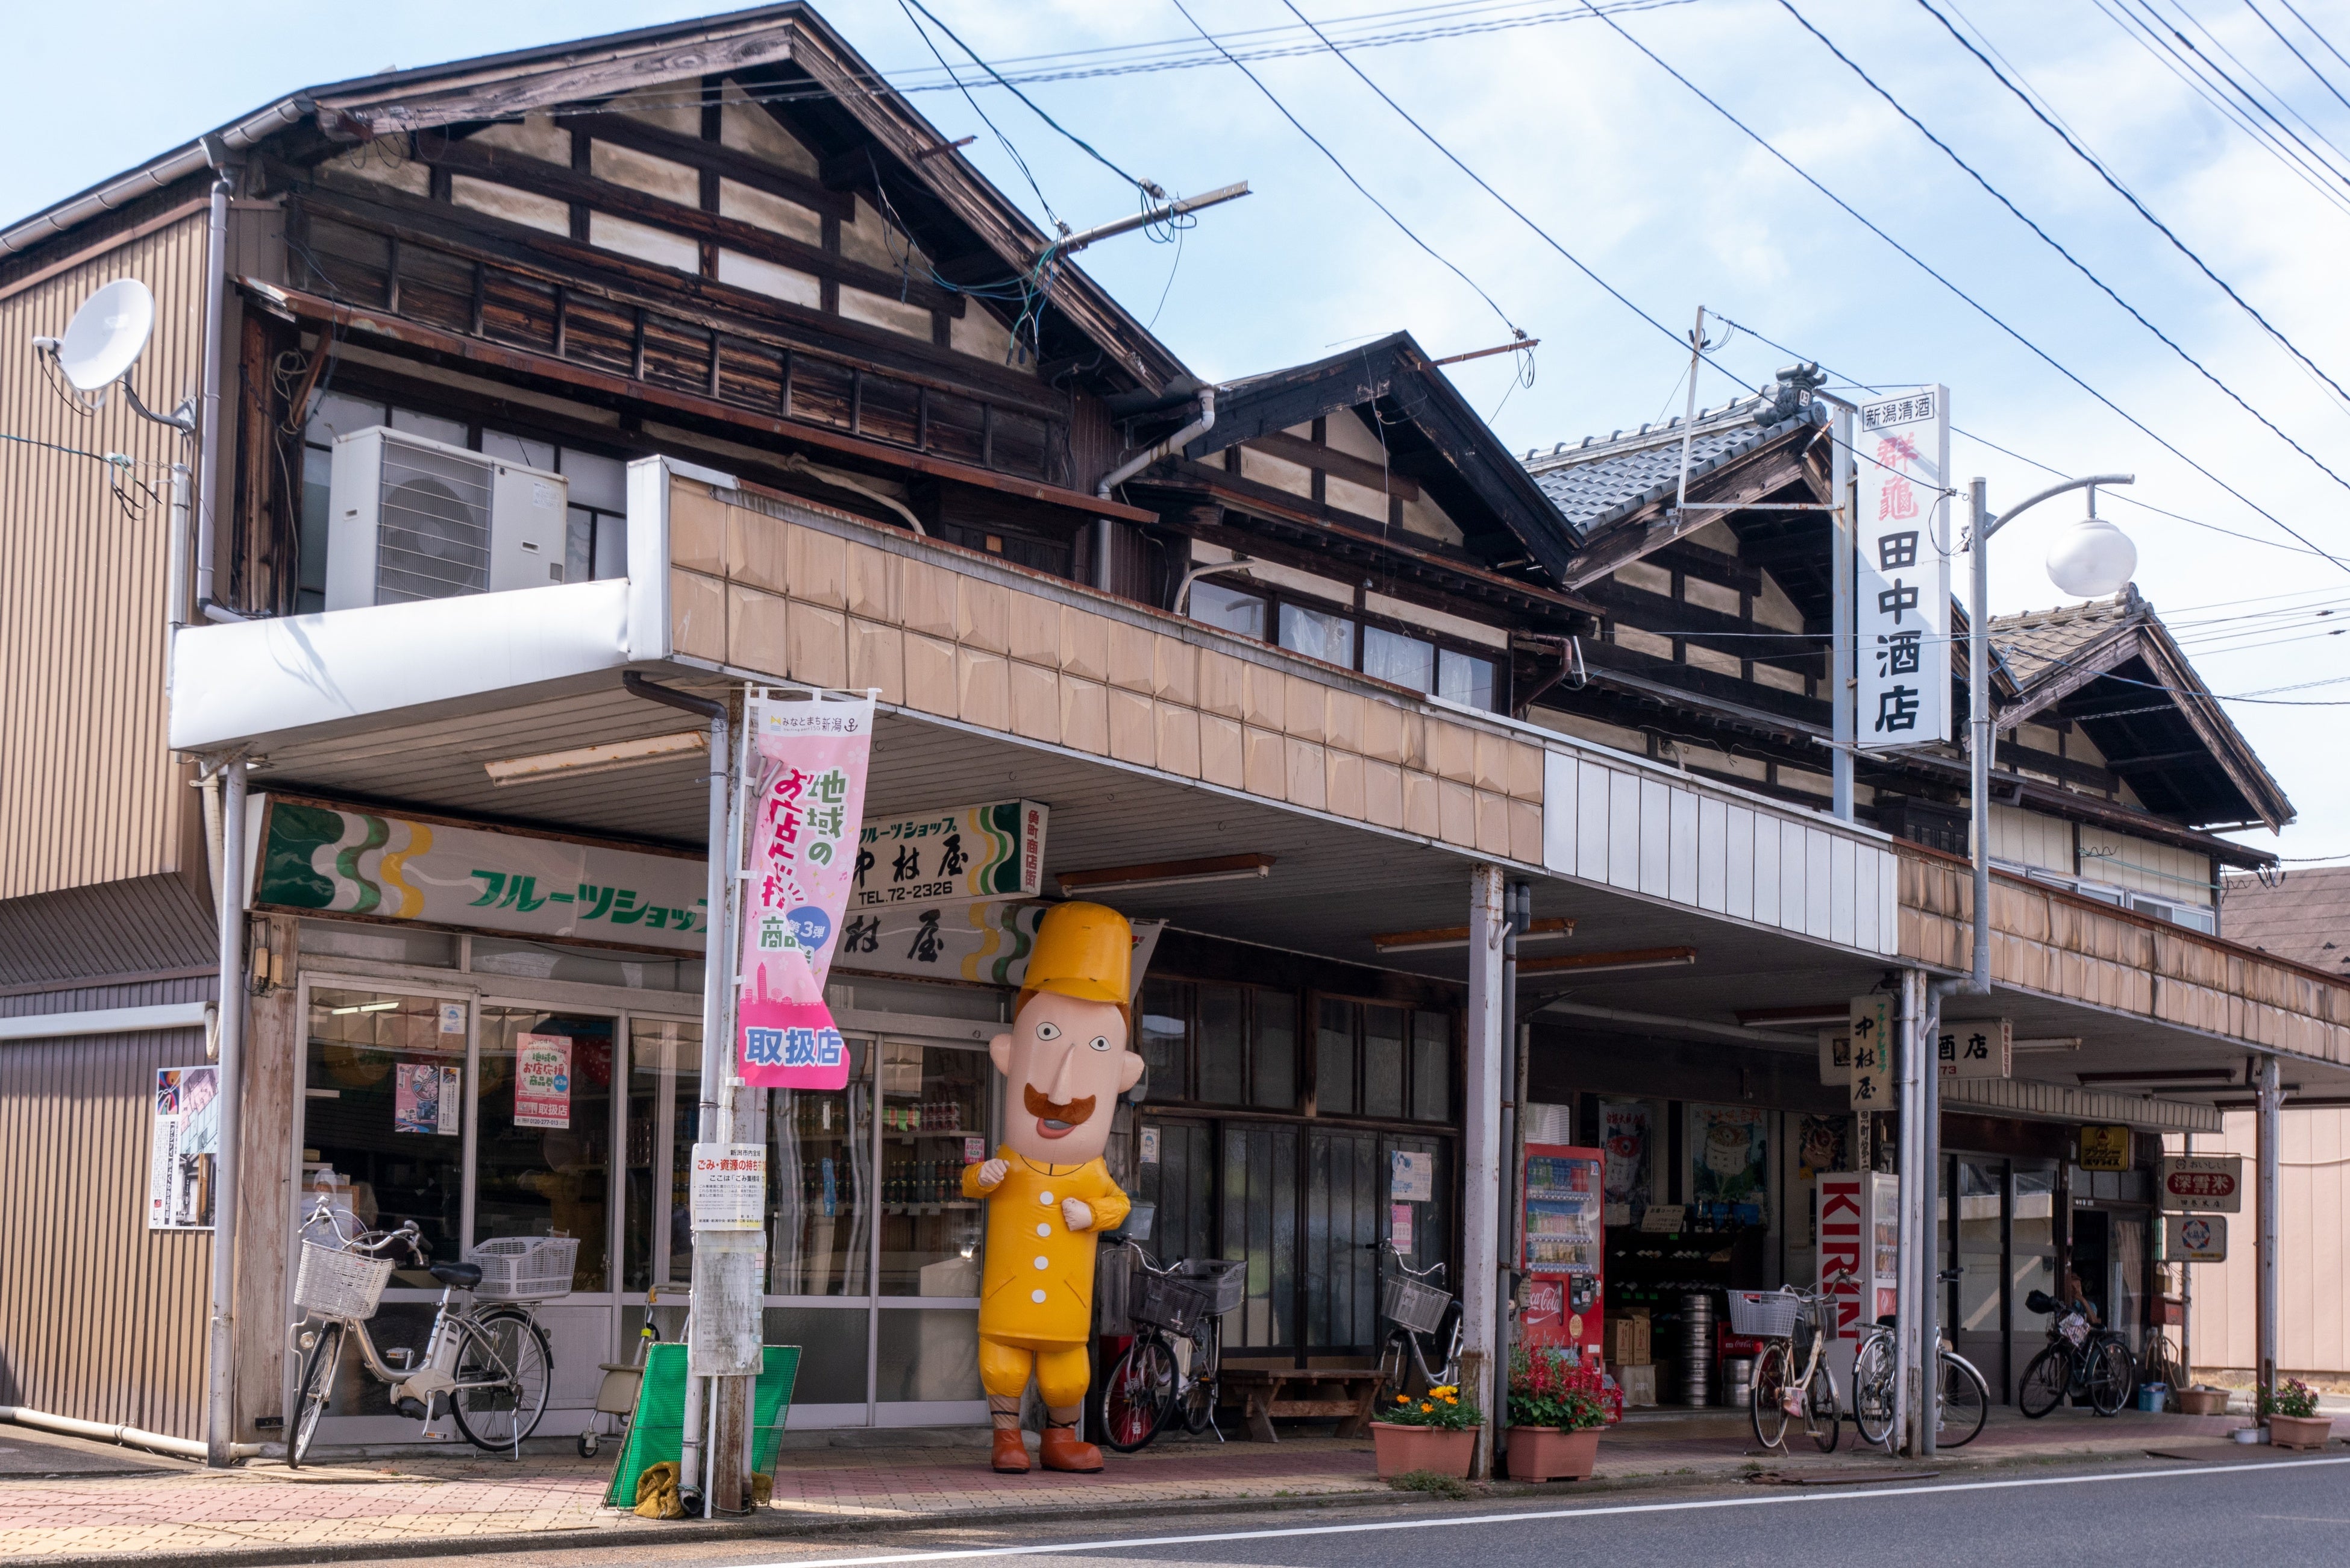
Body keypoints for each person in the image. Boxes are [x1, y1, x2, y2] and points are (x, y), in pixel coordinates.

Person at [962, 903, 1142, 1474]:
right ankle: (1007, 1438)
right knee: (1004, 1367)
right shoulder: (1010, 1161)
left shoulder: (1090, 1171)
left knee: (1070, 1372)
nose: (1063, 1089)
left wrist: (1093, 1215)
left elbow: (1119, 1205)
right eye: (1046, 1035)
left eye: (1095, 1050)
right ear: (1009, 1057)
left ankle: (1060, 1438)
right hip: (1008, 1298)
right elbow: (973, 1183)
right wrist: (981, 1176)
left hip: (1066, 1303)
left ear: (1122, 1075)